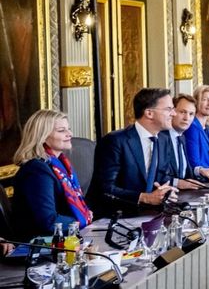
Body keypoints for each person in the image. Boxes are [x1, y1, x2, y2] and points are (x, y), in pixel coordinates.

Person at [87, 88, 177, 216]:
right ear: (149, 113)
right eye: (168, 109)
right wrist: (144, 197)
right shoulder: (115, 141)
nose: (174, 113)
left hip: (151, 214)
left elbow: (162, 177)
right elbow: (105, 189)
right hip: (115, 216)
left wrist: (166, 192)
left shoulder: (163, 139)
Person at [12, 110, 93, 239]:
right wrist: (81, 219)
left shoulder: (60, 164)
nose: (70, 134)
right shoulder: (37, 170)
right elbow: (48, 221)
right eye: (61, 130)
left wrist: (85, 216)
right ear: (42, 136)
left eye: (69, 129)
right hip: (40, 246)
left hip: (63, 239)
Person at [162, 94, 209, 187]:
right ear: (172, 112)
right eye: (182, 112)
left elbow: (185, 170)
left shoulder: (182, 138)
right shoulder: (161, 138)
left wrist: (200, 170)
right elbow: (157, 175)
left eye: (191, 114)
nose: (187, 118)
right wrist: (178, 183)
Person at [183, 84, 209, 172]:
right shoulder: (192, 127)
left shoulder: (207, 128)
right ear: (196, 102)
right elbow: (194, 162)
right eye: (205, 99)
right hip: (202, 178)